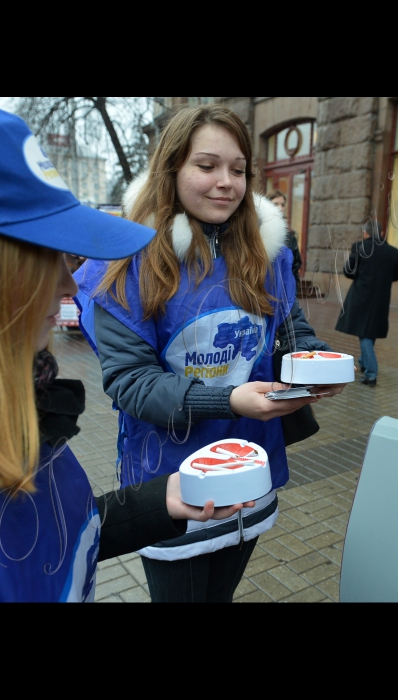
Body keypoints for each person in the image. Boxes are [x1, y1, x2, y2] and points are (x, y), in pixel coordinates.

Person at [0, 97, 252, 603]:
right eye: (42, 256)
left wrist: (161, 501)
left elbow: (45, 540)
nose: (69, 283)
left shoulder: (7, 392)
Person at [74, 103, 346, 602]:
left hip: (252, 470)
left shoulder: (268, 255)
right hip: (173, 486)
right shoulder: (123, 264)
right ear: (171, 169)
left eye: (239, 170)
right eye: (207, 166)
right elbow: (131, 382)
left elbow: (291, 332)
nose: (226, 182)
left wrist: (316, 363)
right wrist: (229, 400)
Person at [334, 219, 398, 387]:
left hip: (361, 297)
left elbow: (349, 271)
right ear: (381, 234)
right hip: (380, 299)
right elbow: (396, 276)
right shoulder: (392, 252)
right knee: (369, 332)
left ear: (366, 233)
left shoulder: (360, 247)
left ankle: (371, 373)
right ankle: (364, 363)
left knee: (365, 336)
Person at [266, 189, 303, 287]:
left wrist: (293, 287)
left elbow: (296, 264)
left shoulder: (289, 235)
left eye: (282, 204)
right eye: (275, 204)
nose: (280, 208)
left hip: (285, 287)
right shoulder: (259, 229)